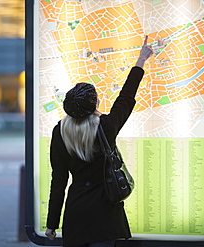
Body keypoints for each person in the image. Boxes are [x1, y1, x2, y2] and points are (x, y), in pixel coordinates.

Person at [45, 36, 153, 247]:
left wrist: (52, 224)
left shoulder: (60, 132)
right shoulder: (106, 127)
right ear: (94, 104)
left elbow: (58, 181)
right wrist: (141, 60)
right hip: (105, 215)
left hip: (76, 214)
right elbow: (126, 97)